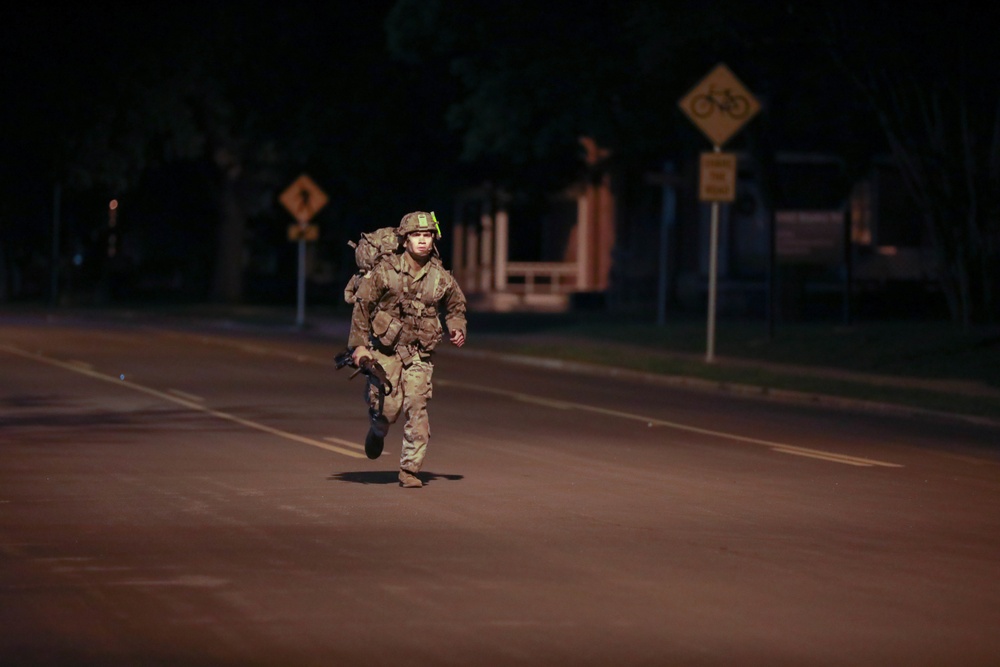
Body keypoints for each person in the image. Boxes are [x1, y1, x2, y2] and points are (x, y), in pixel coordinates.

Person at [348, 211, 467, 488]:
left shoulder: (440, 277)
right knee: (388, 409)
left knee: (417, 405)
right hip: (386, 351)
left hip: (419, 353)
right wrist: (359, 347)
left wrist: (456, 326)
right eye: (416, 236)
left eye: (427, 236)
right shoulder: (385, 271)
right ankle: (378, 429)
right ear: (405, 240)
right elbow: (362, 307)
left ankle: (410, 470)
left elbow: (456, 305)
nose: (423, 241)